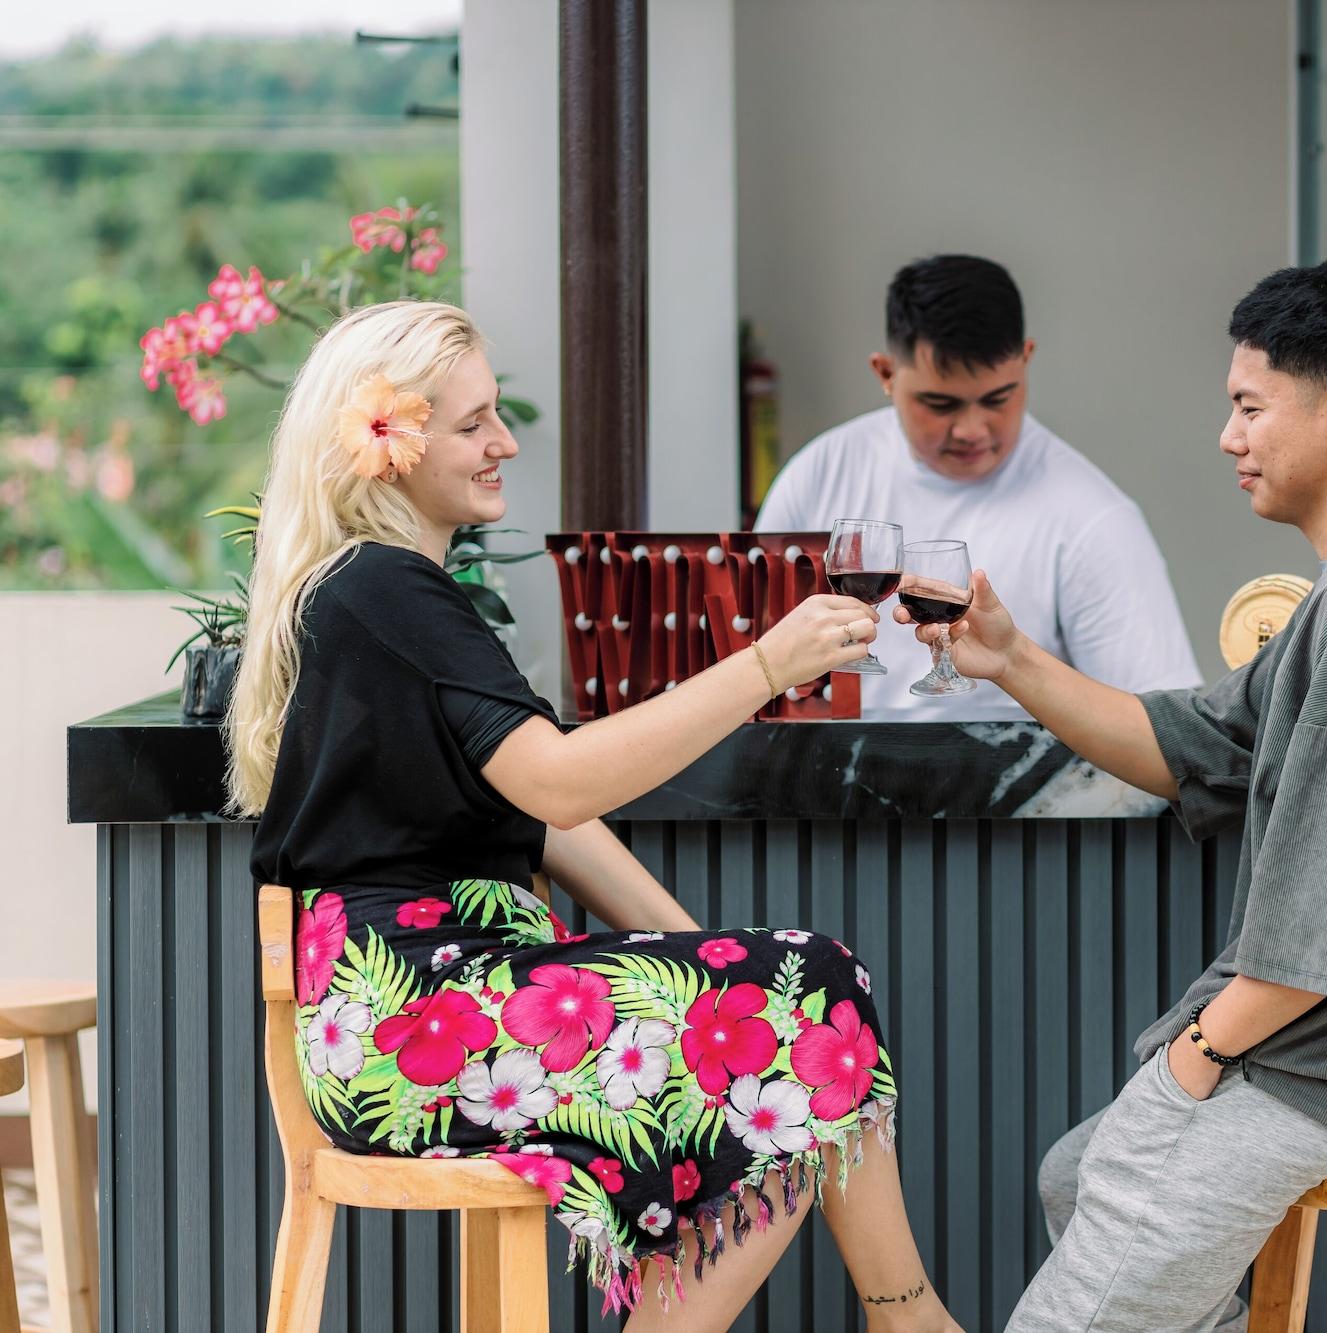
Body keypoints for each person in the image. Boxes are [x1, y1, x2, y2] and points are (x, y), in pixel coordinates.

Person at [231, 301, 961, 1331]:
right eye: (473, 422)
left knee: (791, 1017)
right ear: (386, 442)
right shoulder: (385, 588)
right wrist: (763, 665)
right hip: (412, 1025)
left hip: (431, 1011)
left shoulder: (386, 590)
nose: (505, 441)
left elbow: (546, 824)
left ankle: (903, 1317)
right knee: (807, 1001)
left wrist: (701, 953)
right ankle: (910, 1316)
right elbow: (565, 785)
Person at [897, 262, 1327, 1332]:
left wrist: (1193, 1058)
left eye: (1246, 406)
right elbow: (1193, 746)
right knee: (1073, 1174)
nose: (1226, 436)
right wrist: (1012, 659)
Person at [754, 253, 1202, 719]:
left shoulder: (1094, 518)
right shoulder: (818, 475)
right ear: (885, 373)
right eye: (940, 403)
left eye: (997, 399)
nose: (972, 429)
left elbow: (1160, 727)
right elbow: (751, 662)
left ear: (1026, 361)